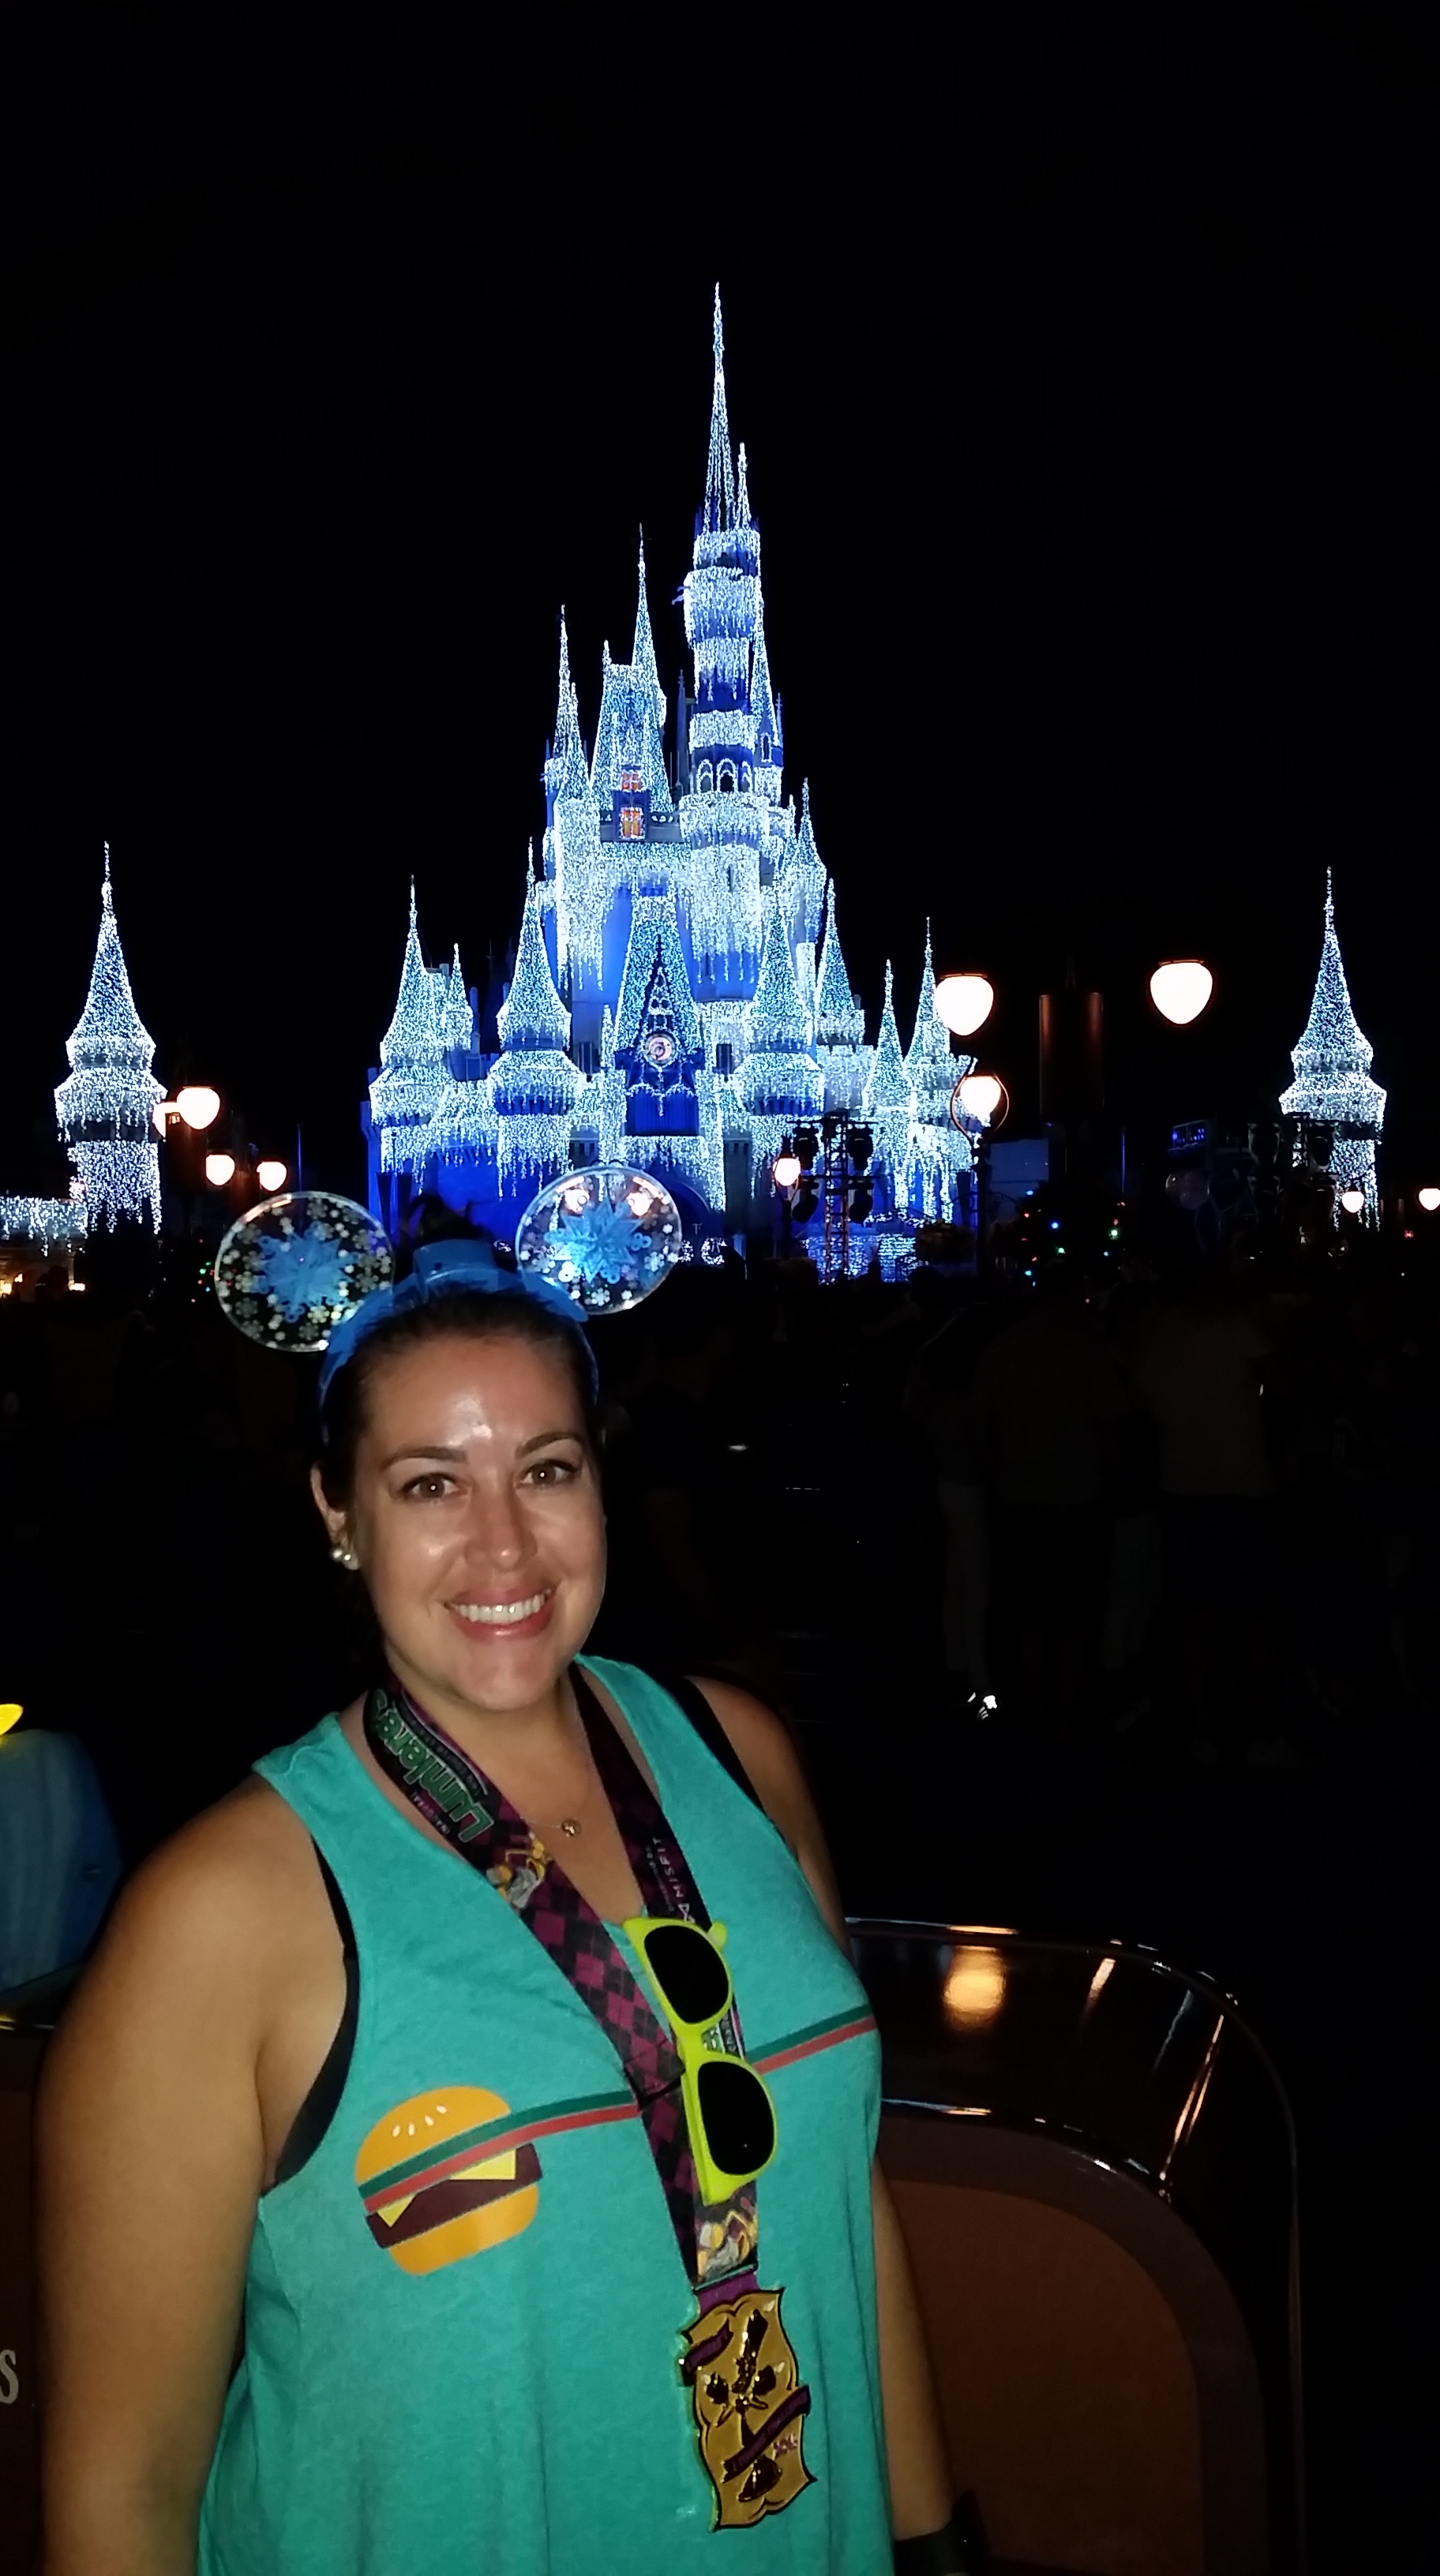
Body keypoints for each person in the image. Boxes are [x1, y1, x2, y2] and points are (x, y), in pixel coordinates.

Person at [38, 1237, 966, 2574]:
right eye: (431, 1483)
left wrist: (933, 2545)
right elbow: (122, 2492)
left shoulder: (741, 1757)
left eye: (546, 1470)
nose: (504, 1543)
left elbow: (841, 2193)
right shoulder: (222, 1912)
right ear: (337, 1514)